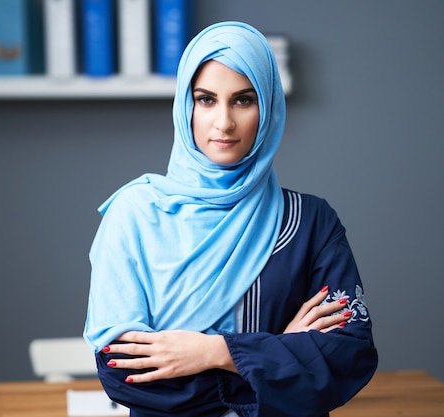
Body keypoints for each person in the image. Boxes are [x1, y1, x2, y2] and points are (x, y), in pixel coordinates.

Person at [83, 21, 377, 417]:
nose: (223, 122)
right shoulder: (134, 214)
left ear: (269, 107)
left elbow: (349, 355)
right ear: (185, 107)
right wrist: (278, 354)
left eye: (243, 100)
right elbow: (123, 376)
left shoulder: (310, 222)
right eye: (206, 100)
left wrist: (215, 352)